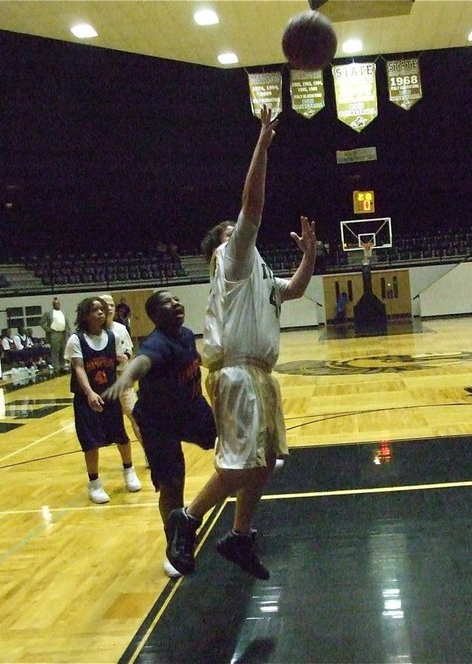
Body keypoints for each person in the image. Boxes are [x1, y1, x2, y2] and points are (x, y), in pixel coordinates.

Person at [165, 105, 317, 579]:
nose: (243, 235)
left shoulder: (258, 273)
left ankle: (240, 536)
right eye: (234, 235)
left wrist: (310, 256)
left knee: (265, 460)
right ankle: (187, 520)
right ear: (220, 250)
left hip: (261, 374)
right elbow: (252, 206)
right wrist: (263, 145)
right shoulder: (229, 264)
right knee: (236, 467)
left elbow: (293, 291)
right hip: (234, 372)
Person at [103, 290, 216, 578]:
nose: (176, 304)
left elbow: (195, 358)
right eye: (167, 303)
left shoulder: (187, 334)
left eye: (177, 299)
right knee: (172, 483)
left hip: (191, 408)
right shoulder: (157, 343)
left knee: (228, 439)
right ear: (154, 315)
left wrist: (220, 361)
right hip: (158, 423)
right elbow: (142, 362)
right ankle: (175, 545)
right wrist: (126, 378)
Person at [64, 296, 142, 504]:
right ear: (86, 315)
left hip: (110, 395)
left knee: (121, 436)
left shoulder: (112, 336)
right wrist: (89, 393)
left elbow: (120, 359)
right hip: (86, 398)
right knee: (90, 443)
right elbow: (79, 368)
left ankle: (129, 471)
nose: (101, 312)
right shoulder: (76, 340)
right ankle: (94, 483)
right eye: (95, 310)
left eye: (102, 309)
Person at [99, 294, 143, 447]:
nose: (109, 308)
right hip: (104, 381)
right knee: (114, 422)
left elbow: (129, 349)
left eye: (112, 305)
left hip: (122, 379)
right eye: (106, 305)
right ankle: (127, 461)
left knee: (136, 417)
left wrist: (125, 356)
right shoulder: (94, 333)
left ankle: (149, 454)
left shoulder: (121, 328)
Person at [39, 296, 71, 374]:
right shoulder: (49, 313)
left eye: (58, 303)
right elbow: (41, 322)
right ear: (53, 305)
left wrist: (69, 333)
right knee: (55, 351)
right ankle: (56, 367)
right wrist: (48, 330)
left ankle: (62, 366)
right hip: (54, 333)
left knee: (63, 351)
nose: (57, 305)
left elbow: (67, 323)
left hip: (63, 333)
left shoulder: (63, 312)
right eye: (55, 304)